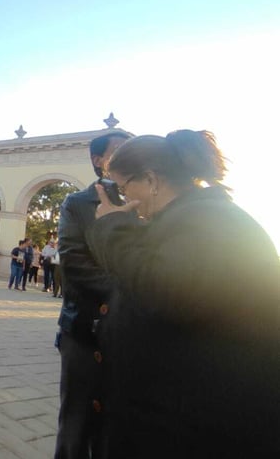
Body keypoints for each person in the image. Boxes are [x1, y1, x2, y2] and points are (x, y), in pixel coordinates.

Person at [89, 130, 280, 458]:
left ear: (151, 180)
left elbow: (166, 292)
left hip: (200, 428)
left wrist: (111, 227)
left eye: (123, 189)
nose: (123, 200)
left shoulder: (209, 220)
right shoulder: (191, 217)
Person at [54, 130, 130, 459]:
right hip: (83, 329)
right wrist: (136, 289)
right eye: (121, 150)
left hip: (131, 335)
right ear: (99, 161)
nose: (131, 156)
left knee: (117, 428)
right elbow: (73, 262)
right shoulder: (77, 204)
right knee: (76, 424)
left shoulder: (147, 204)